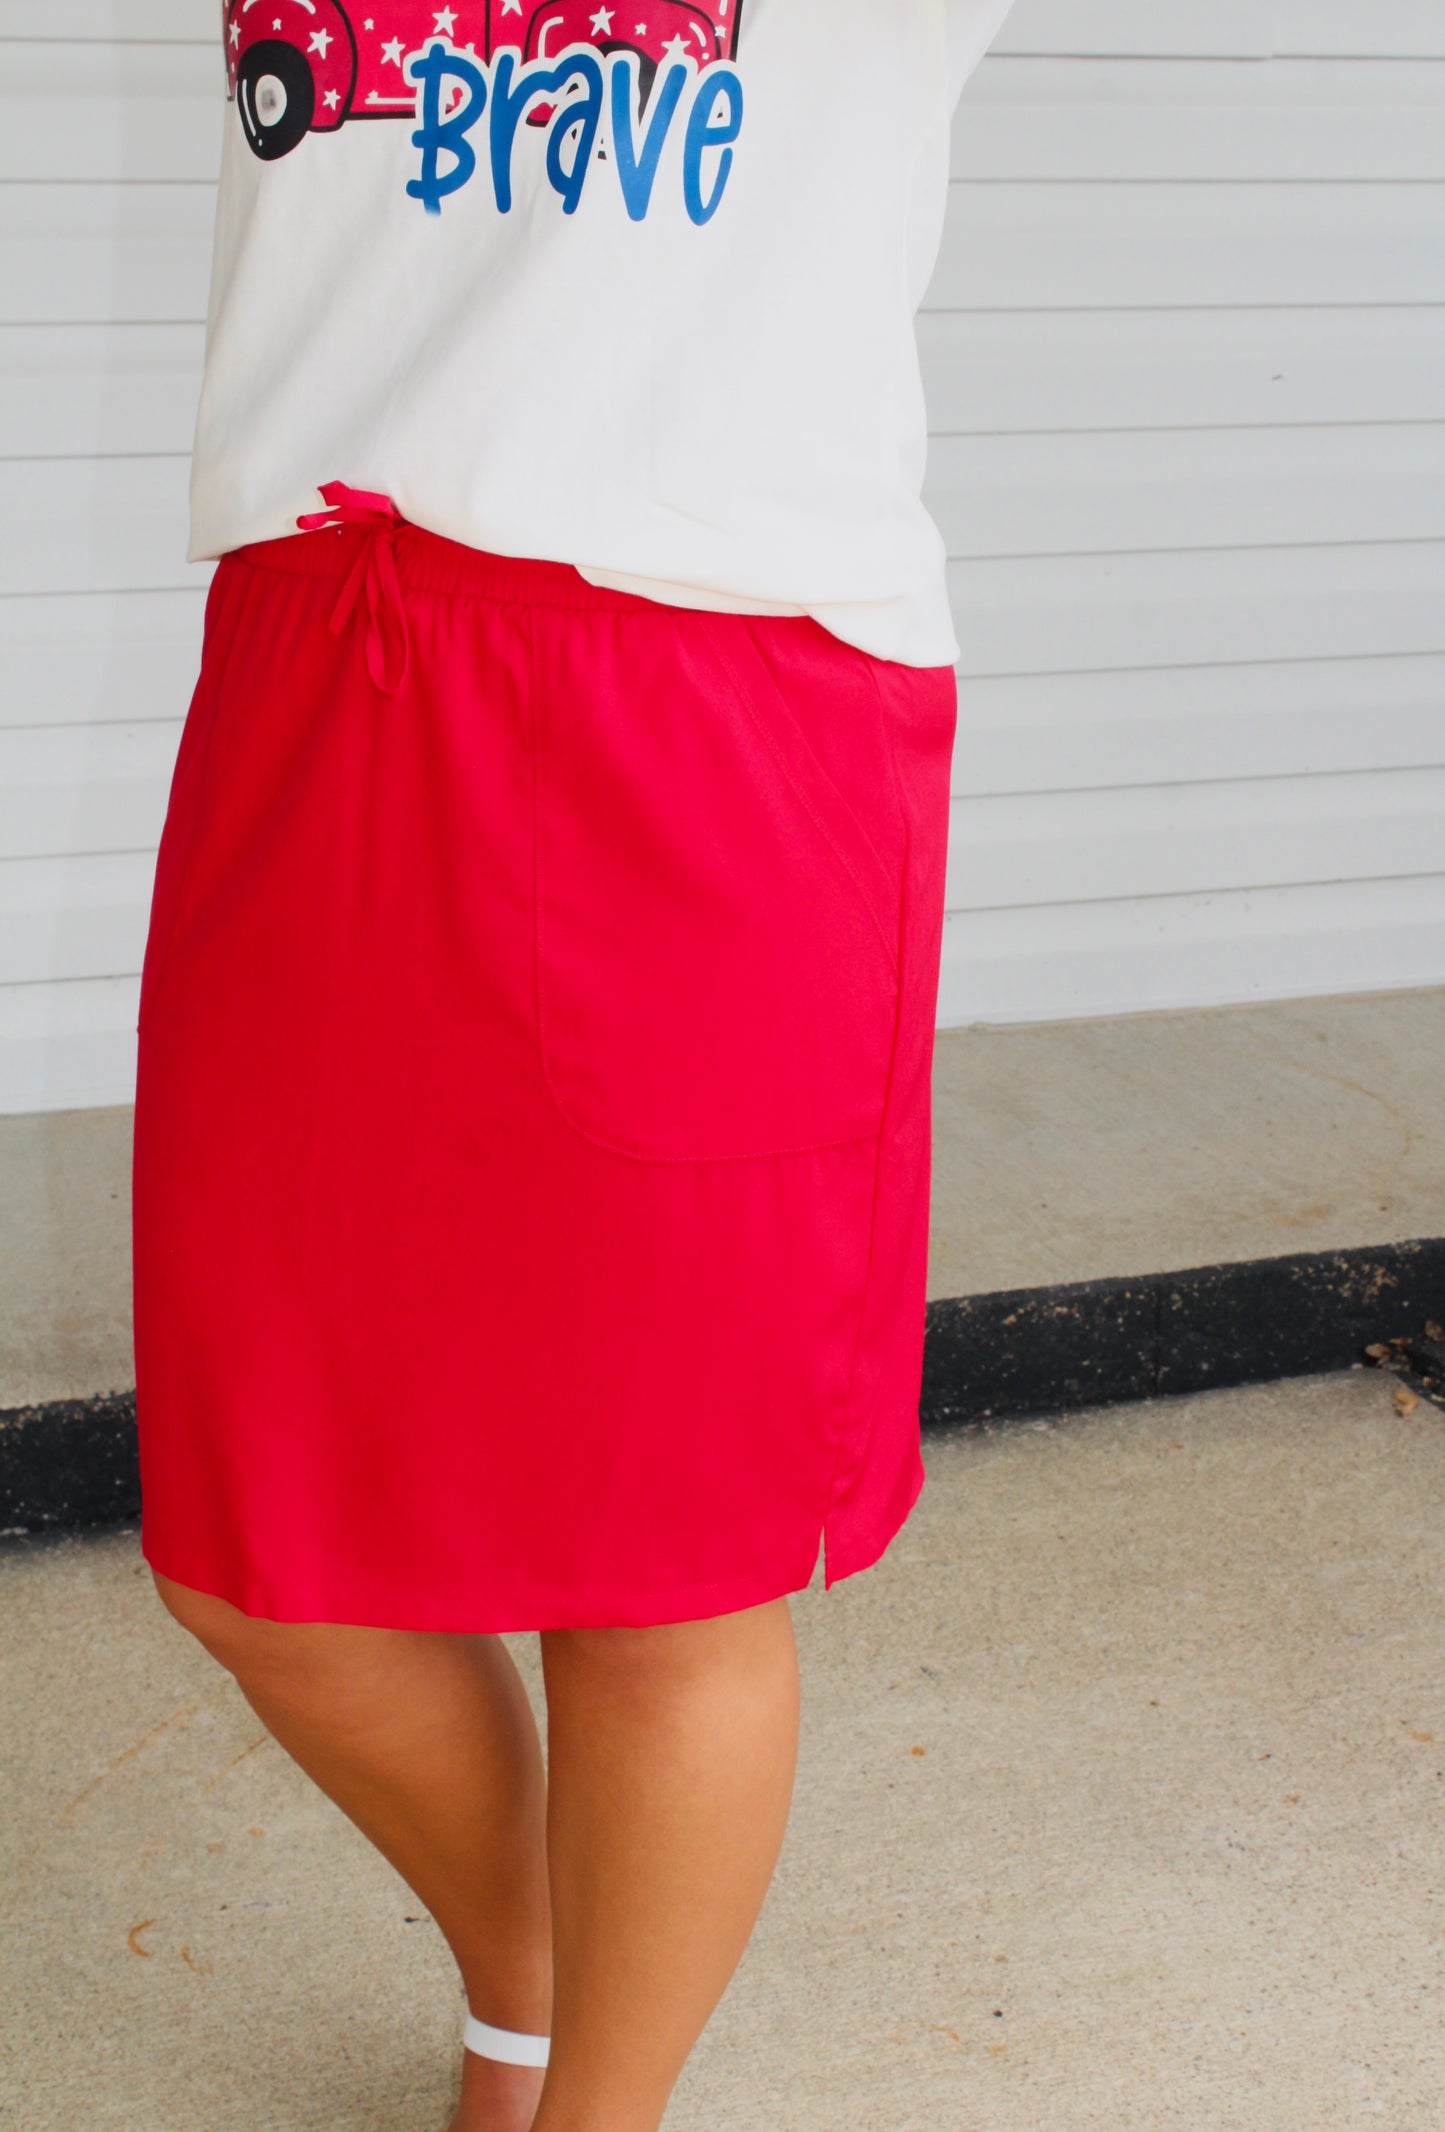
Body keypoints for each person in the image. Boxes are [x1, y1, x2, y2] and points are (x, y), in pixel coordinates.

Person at [134, 3, 1015, 2127]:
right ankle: (528, 1953)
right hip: (324, 645)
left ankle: (584, 2103)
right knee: (252, 1551)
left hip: (713, 694)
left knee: (668, 1559)